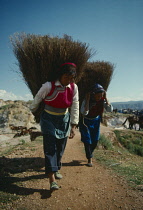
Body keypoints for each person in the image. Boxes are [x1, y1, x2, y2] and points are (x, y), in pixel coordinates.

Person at [30, 63, 79, 190]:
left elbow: (75, 105)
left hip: (64, 119)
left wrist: (73, 125)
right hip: (48, 119)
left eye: (71, 77)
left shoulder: (73, 88)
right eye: (66, 77)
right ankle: (52, 179)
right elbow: (38, 99)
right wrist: (32, 111)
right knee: (50, 147)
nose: (68, 80)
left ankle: (56, 168)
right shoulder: (48, 86)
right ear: (60, 75)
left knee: (61, 147)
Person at [79, 83, 113, 167]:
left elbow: (109, 110)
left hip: (96, 121)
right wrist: (87, 101)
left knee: (95, 140)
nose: (99, 98)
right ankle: (89, 158)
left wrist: (106, 99)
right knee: (87, 140)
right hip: (85, 121)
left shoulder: (102, 100)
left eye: (101, 95)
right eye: (97, 96)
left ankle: (90, 153)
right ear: (93, 94)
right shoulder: (87, 100)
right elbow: (84, 112)